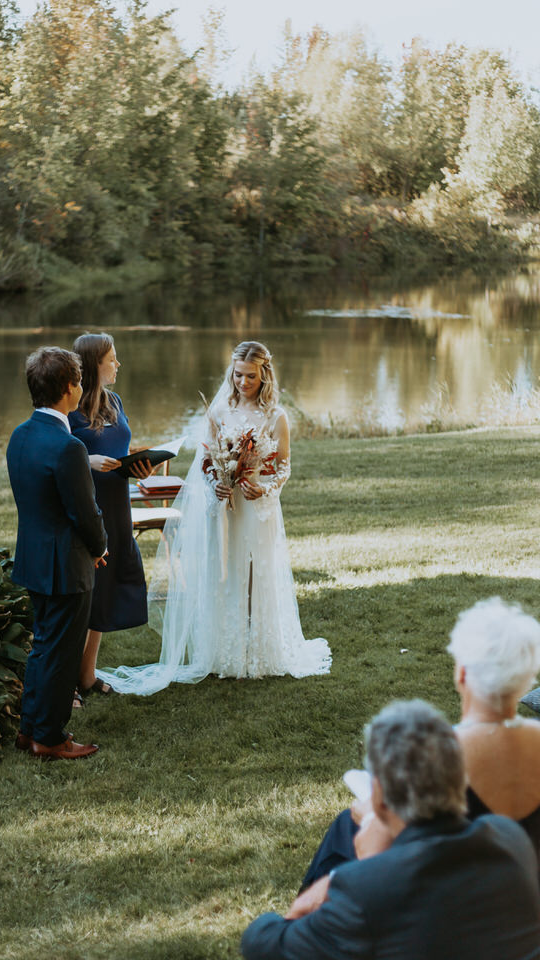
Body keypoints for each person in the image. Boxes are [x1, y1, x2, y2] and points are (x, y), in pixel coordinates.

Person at [100, 340, 331, 696]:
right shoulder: (219, 410)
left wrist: (265, 489)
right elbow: (206, 460)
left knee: (257, 573)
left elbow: (283, 467)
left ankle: (260, 652)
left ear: (264, 375)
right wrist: (215, 483)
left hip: (258, 506)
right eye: (238, 375)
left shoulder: (276, 416)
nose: (243, 382)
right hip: (224, 506)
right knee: (225, 571)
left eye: (251, 376)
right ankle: (227, 652)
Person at [241, 700, 540, 960]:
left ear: (380, 797)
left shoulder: (363, 890)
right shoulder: (508, 837)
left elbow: (261, 943)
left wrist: (345, 874)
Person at [301, 595, 540, 889]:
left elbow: (406, 843)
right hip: (522, 888)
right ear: (527, 678)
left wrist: (369, 819)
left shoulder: (435, 753)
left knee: (344, 829)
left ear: (462, 672)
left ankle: (300, 926)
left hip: (446, 888)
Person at [6, 347, 107, 759]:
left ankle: (29, 730)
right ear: (68, 388)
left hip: (33, 559)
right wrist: (100, 546)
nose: (82, 388)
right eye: (79, 381)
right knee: (61, 652)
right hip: (66, 565)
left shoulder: (20, 435)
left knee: (43, 646)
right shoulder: (68, 448)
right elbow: (83, 512)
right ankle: (49, 737)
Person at [68, 333, 151, 700]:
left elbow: (119, 450)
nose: (118, 364)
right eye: (112, 359)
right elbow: (57, 457)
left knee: (104, 591)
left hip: (118, 505)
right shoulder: (68, 409)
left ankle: (86, 676)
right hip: (89, 505)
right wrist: (87, 463)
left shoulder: (114, 401)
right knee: (82, 594)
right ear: (91, 365)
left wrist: (140, 466)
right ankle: (64, 680)